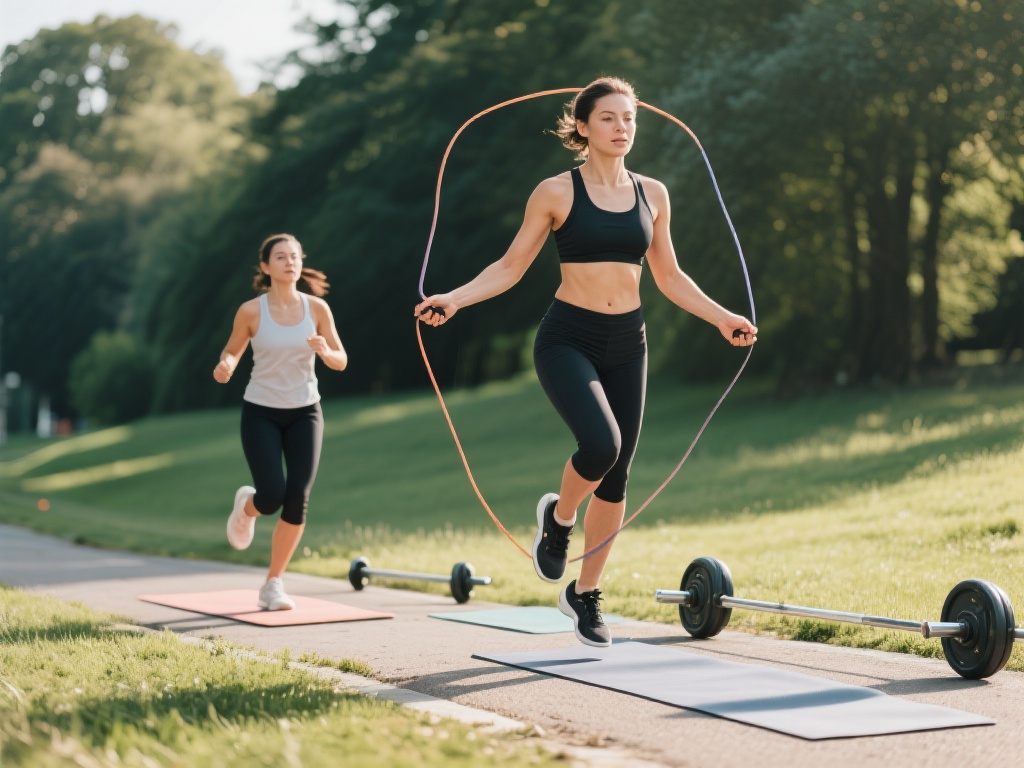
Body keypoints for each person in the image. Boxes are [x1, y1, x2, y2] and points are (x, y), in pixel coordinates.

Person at [415, 77, 756, 647]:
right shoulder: (555, 192)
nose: (622, 128)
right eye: (609, 118)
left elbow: (670, 276)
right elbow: (510, 267)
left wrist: (722, 317)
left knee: (617, 476)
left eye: (629, 118)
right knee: (601, 446)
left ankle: (585, 594)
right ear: (582, 126)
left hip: (629, 342)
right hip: (567, 338)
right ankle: (559, 520)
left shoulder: (653, 193)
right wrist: (454, 298)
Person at [213, 233, 347, 610]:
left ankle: (273, 583)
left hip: (306, 412)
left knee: (297, 497)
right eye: (281, 257)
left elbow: (341, 360)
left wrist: (326, 352)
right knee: (271, 495)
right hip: (261, 412)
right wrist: (225, 365)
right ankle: (247, 507)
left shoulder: (317, 309)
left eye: (295, 256)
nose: (290, 262)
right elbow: (232, 350)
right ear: (265, 266)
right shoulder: (251, 311)